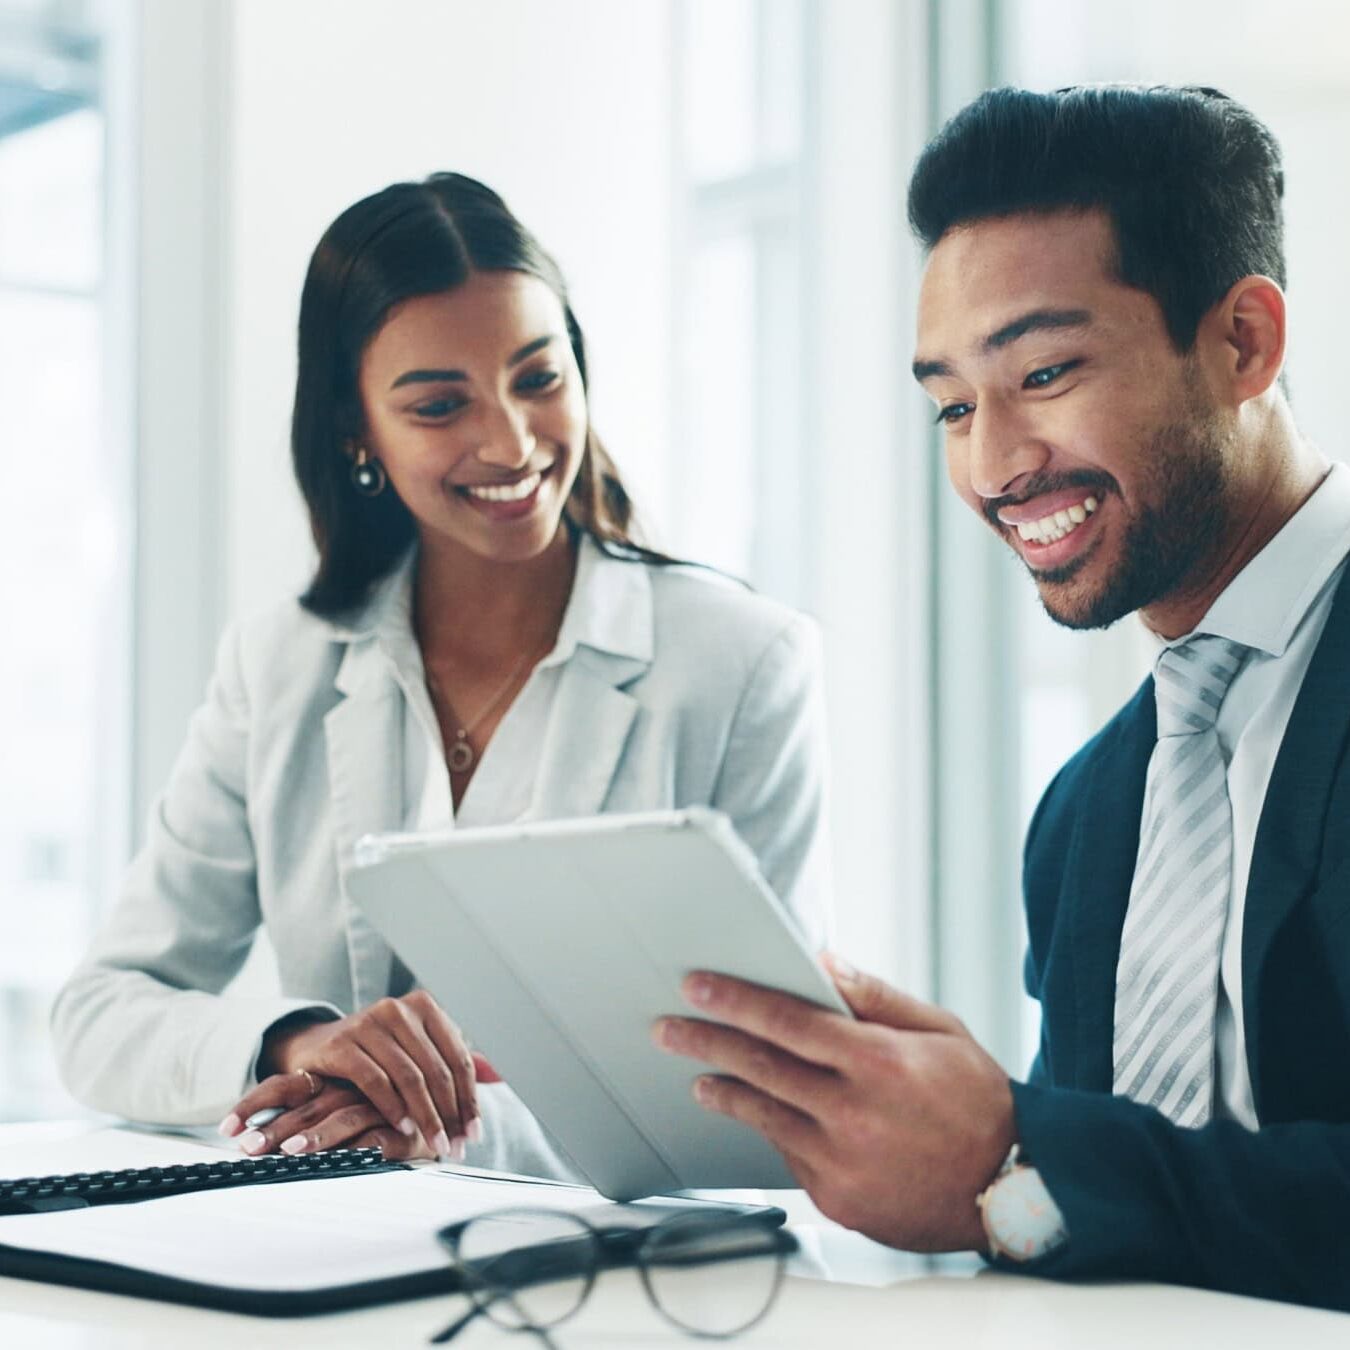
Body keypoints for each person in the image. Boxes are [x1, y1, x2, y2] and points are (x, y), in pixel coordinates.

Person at [656, 85, 1350, 1312]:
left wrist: (1009, 1154)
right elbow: (1101, 1229)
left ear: (1242, 343)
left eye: (1043, 371)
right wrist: (954, 1159)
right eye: (953, 406)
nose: (992, 465)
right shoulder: (1087, 815)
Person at [52, 172, 831, 1177]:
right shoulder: (279, 663)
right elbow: (101, 1016)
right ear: (356, 430)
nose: (509, 441)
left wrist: (427, 1121)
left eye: (539, 379)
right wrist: (302, 1044)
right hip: (346, 1260)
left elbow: (786, 1077)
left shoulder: (743, 662)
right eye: (437, 404)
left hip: (630, 1279)